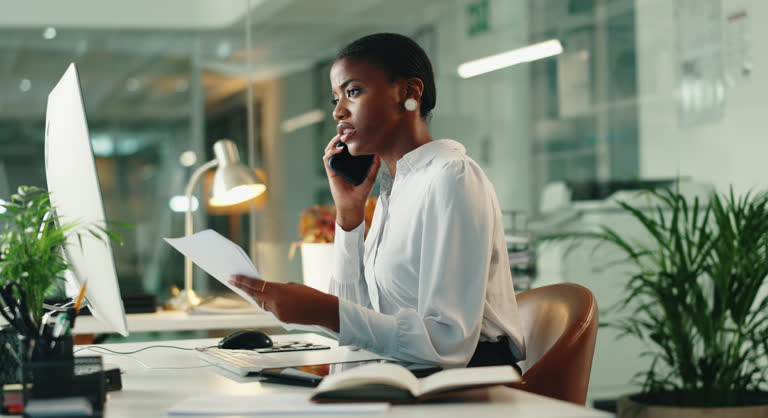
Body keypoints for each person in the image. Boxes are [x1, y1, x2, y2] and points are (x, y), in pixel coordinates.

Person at [230, 33, 525, 370]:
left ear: (409, 93)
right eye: (335, 99)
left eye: (352, 92)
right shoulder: (394, 188)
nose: (338, 112)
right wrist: (349, 215)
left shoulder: (450, 176)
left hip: (467, 384)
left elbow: (447, 344)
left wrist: (328, 312)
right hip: (403, 373)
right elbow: (362, 322)